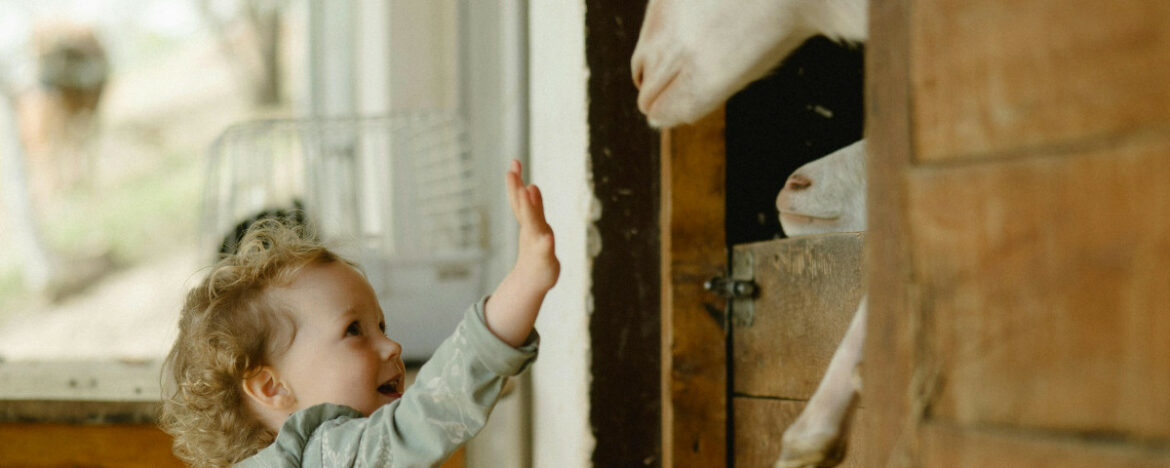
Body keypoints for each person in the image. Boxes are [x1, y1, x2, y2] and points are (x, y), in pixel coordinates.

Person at [161, 160, 559, 468]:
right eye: (354, 330)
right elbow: (430, 413)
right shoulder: (328, 454)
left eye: (381, 326)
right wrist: (526, 280)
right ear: (272, 387)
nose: (391, 345)